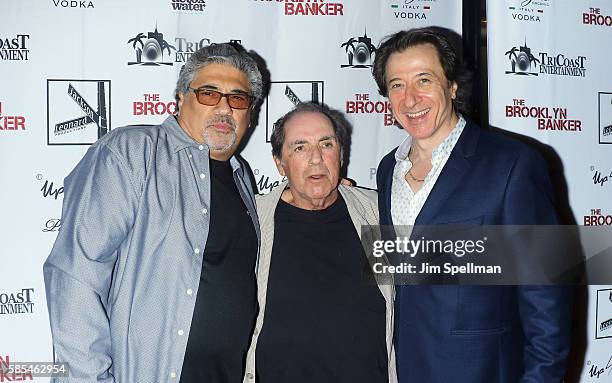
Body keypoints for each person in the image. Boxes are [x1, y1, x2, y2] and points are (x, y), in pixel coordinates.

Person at [43, 42, 263, 382]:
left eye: (237, 98)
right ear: (180, 99)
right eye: (208, 94)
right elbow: (76, 275)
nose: (224, 108)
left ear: (250, 112)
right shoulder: (132, 152)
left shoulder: (242, 177)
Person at [372, 28, 572, 382]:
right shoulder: (389, 169)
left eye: (424, 80)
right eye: (396, 85)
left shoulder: (513, 165)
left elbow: (547, 300)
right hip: (404, 368)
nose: (410, 99)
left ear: (452, 86)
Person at [242, 102, 397, 383]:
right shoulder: (250, 221)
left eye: (326, 144)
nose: (316, 158)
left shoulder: (379, 214)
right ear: (280, 163)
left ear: (340, 155)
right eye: (300, 147)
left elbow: (472, 258)